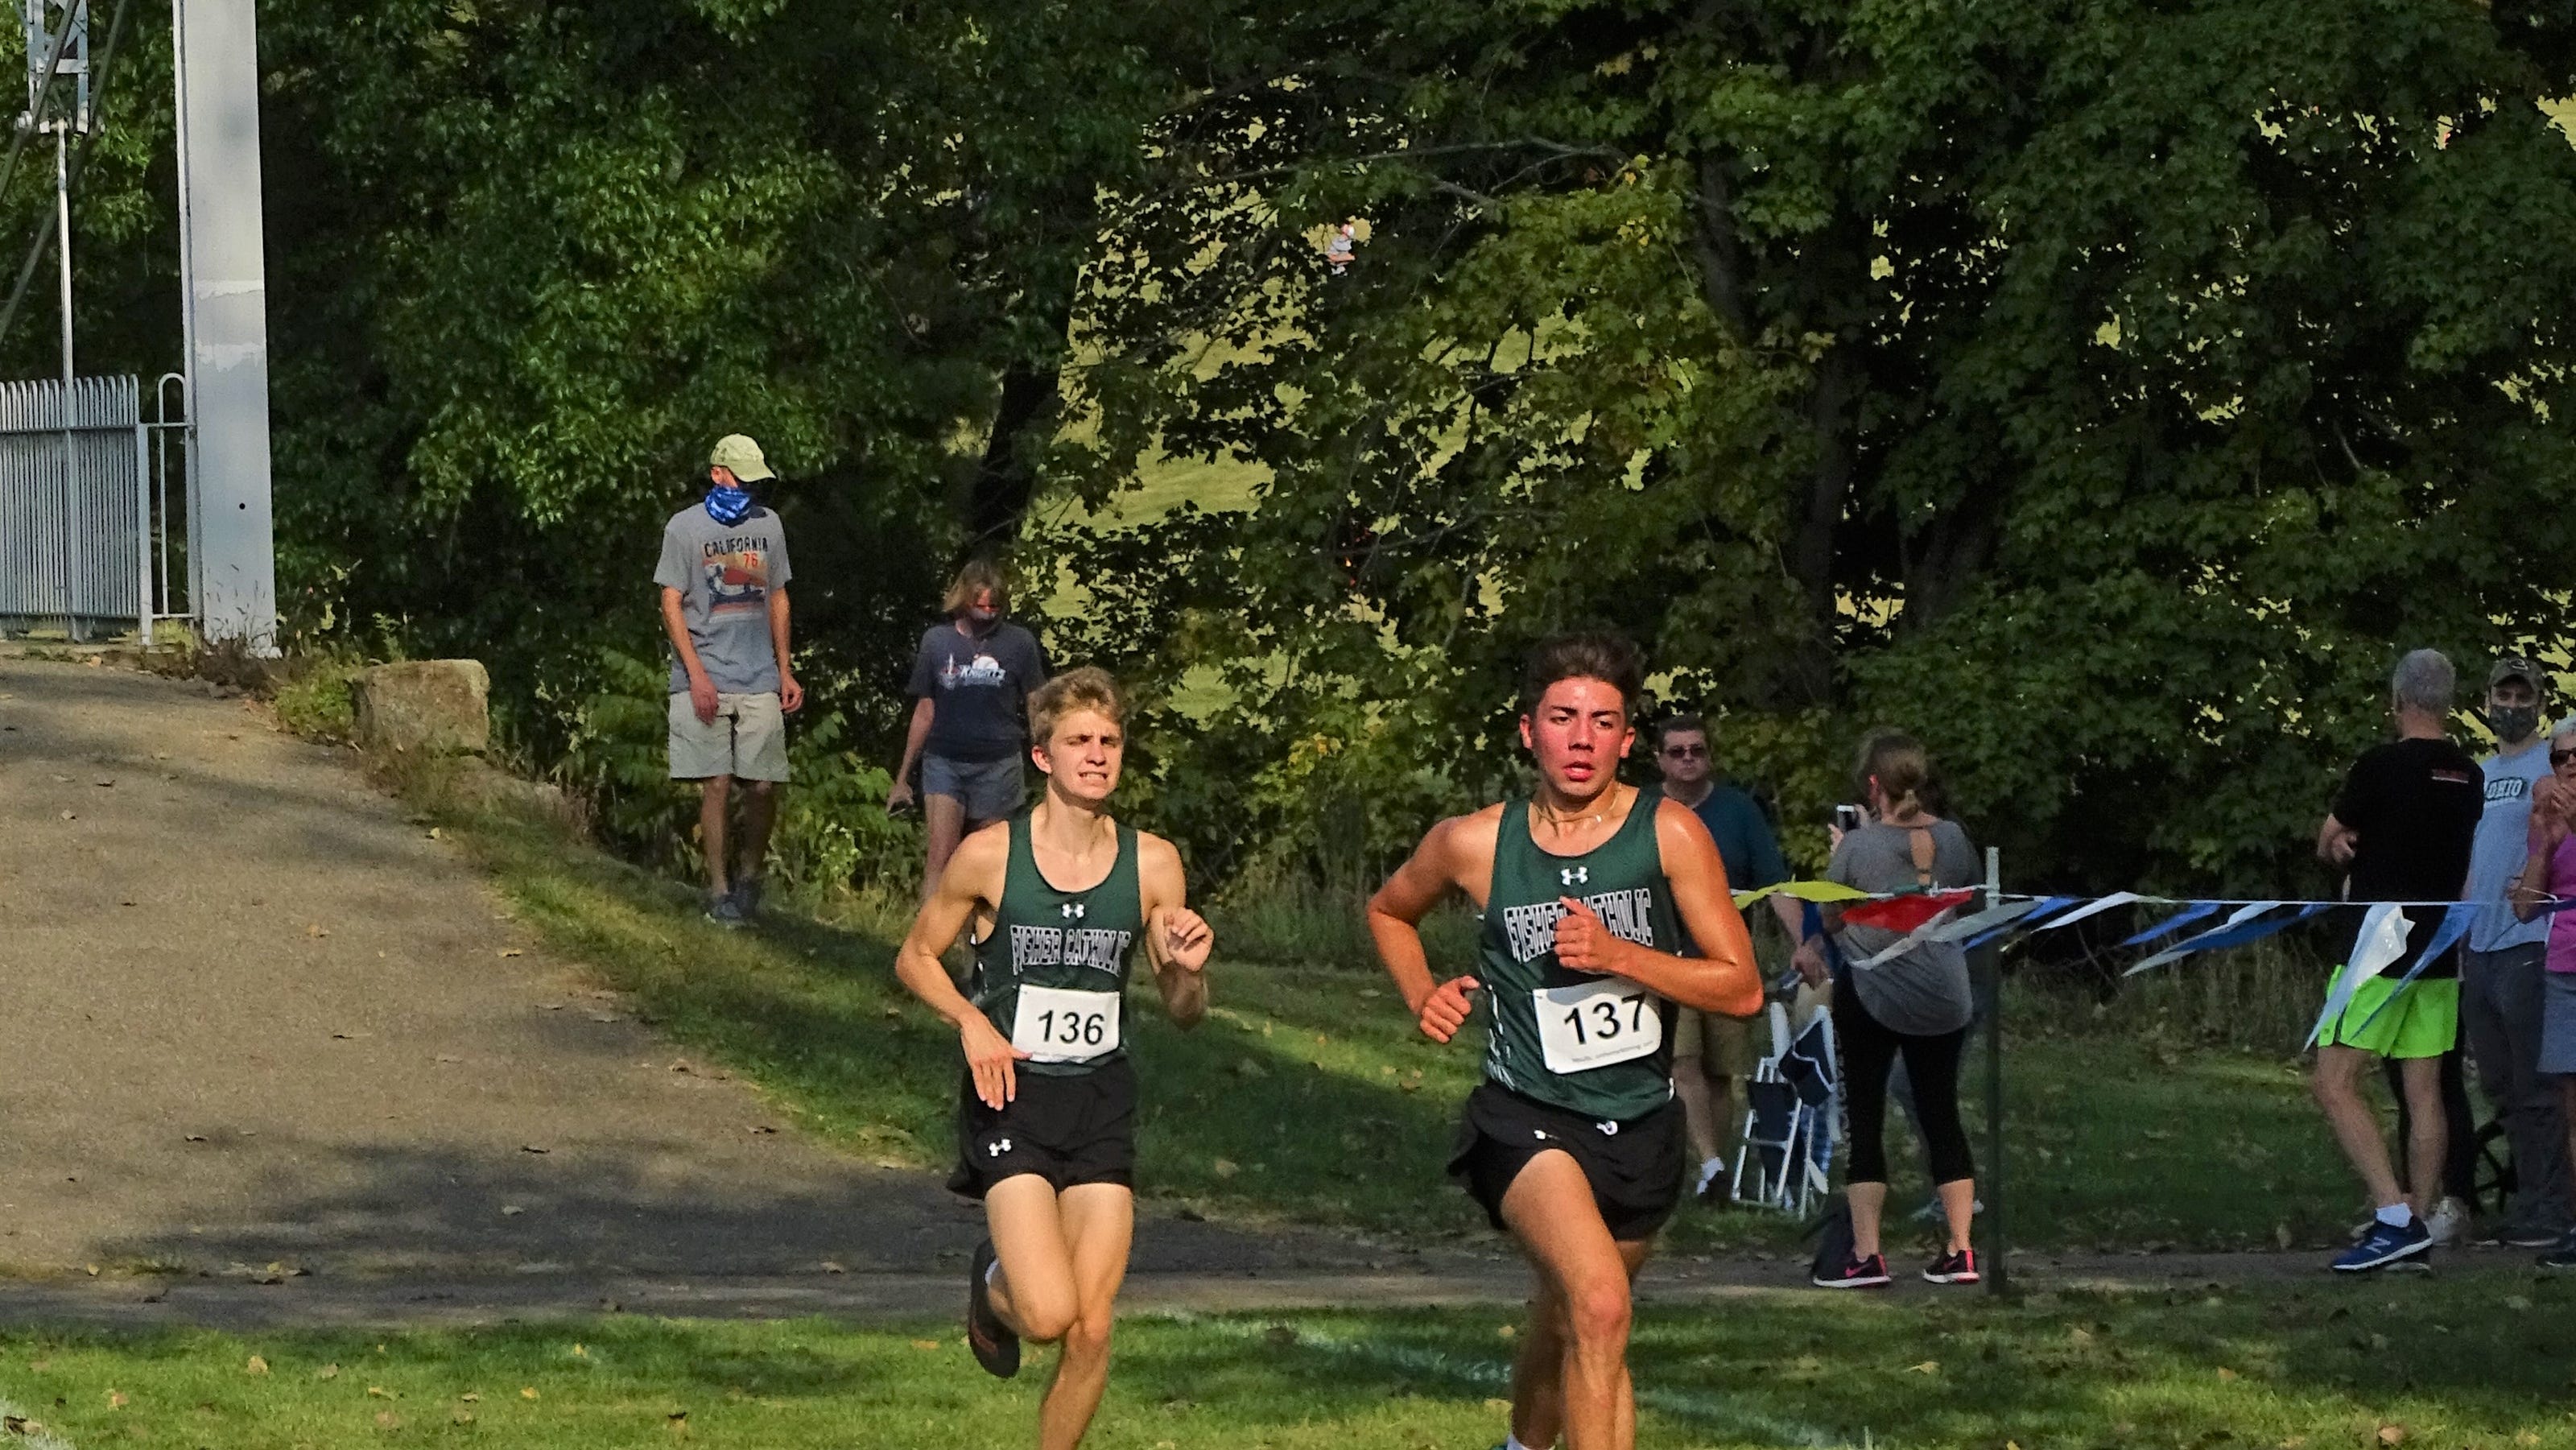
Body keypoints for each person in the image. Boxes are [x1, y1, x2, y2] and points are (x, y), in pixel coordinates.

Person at [1366, 632, 1762, 1450]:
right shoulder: (1473, 842)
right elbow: (1387, 909)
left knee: (1573, 1324)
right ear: (1527, 731)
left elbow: (1740, 984)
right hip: (1525, 1115)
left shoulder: (1670, 834)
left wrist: (1621, 955)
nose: (1580, 740)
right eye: (1562, 718)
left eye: (1602, 722)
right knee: (1599, 1305)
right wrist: (1422, 993)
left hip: (1641, 1122)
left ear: (1627, 740)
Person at [891, 667, 1214, 1449]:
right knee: (1044, 1314)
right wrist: (970, 1020)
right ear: (1042, 756)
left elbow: (1184, 1013)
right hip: (1012, 1093)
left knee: (1092, 1328)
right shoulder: (990, 855)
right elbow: (913, 957)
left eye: (1109, 741)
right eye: (1078, 741)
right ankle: (991, 1283)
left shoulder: (1153, 865)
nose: (1097, 754)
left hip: (1101, 1099)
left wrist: (1186, 973)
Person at [2310, 648, 2484, 1272]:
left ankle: (2392, 1215)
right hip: (2440, 948)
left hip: (2379, 950)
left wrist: (2344, 842)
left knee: (2333, 1082)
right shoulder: (2469, 775)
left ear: (2398, 699)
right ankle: (2417, 1215)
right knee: (2424, 1091)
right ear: (2448, 699)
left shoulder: (2378, 766)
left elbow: (2329, 836)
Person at [1794, 731, 1983, 1288]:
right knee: (1941, 1112)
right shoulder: (1954, 837)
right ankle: (1961, 1248)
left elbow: (1830, 918)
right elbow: (1968, 898)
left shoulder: (1858, 847)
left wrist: (1840, 856)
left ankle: (1868, 1253)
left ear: (1872, 785)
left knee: (1865, 1118)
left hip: (1875, 991)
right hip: (1947, 993)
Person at [1651, 713, 1806, 1204]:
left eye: (1696, 750)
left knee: (1721, 1074)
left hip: (1727, 959)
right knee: (1681, 1062)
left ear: (1709, 756)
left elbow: (1773, 884)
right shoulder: (1640, 810)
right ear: (1660, 760)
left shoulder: (1739, 811)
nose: (1688, 760)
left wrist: (1802, 941)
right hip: (1664, 958)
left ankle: (1713, 1174)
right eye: (1677, 752)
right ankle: (1713, 1162)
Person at [655, 433, 803, 927]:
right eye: (741, 477)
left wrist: (785, 668)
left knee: (763, 785)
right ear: (718, 472)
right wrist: (696, 675)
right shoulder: (684, 529)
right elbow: (670, 602)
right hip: (705, 673)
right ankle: (718, 890)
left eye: (754, 480)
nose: (748, 489)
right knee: (715, 783)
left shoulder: (770, 525)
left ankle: (750, 877)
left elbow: (778, 596)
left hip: (759, 672)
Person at [2455, 658, 2569, 1248]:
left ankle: (2553, 1209)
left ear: (2540, 701)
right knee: (2500, 1085)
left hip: (2532, 940)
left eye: (2523, 693)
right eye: (2504, 692)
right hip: (2481, 944)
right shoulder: (2479, 772)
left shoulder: (2552, 765)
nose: (2512, 702)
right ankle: (2529, 1199)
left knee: (2537, 1086)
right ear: (2488, 699)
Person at [889, 559, 1051, 899]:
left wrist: (1047, 752)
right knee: (941, 856)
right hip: (944, 762)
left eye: (994, 606)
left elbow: (1036, 703)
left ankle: (981, 944)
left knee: (990, 860)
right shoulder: (937, 642)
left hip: (999, 763)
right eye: (980, 605)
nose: (988, 612)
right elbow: (925, 709)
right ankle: (927, 945)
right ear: (963, 598)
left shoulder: (1019, 643)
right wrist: (903, 776)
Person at [2512, 717, 2576, 1268]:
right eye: (2560, 758)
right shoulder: (2549, 818)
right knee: (2571, 1104)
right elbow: (2526, 906)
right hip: (2562, 966)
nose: (2570, 766)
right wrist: (2546, 842)